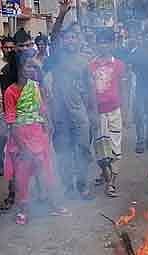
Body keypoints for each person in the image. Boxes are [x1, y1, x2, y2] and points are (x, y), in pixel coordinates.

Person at [3, 54, 69, 224]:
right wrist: (22, 147)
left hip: (38, 134)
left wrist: (49, 124)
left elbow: (42, 109)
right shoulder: (10, 91)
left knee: (46, 171)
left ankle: (53, 203)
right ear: (18, 69)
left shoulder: (36, 87)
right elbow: (11, 121)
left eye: (33, 67)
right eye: (28, 66)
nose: (32, 70)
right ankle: (23, 209)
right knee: (22, 176)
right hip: (21, 137)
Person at [49, 26, 98, 200]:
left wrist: (93, 113)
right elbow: (53, 35)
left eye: (73, 37)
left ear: (79, 40)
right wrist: (62, 13)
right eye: (67, 38)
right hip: (60, 114)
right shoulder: (57, 57)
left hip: (79, 112)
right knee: (64, 151)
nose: (70, 40)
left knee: (83, 149)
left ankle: (83, 185)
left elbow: (90, 87)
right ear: (63, 41)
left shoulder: (85, 61)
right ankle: (68, 186)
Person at [89, 29, 126, 198]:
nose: (103, 45)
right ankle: (109, 181)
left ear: (112, 44)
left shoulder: (119, 65)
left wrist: (125, 111)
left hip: (115, 111)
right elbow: (88, 91)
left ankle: (111, 179)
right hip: (97, 113)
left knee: (115, 148)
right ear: (96, 44)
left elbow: (124, 89)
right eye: (100, 42)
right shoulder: (91, 66)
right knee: (101, 148)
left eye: (107, 42)